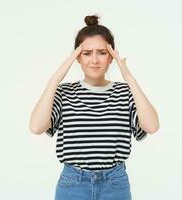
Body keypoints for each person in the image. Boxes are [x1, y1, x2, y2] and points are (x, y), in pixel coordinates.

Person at [29, 14, 159, 200]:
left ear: (112, 56)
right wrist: (57, 77)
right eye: (87, 53)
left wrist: (128, 77)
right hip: (72, 184)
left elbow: (152, 126)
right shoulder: (64, 92)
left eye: (102, 52)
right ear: (77, 57)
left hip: (115, 184)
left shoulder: (125, 92)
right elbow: (36, 127)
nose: (95, 60)